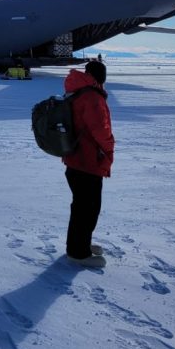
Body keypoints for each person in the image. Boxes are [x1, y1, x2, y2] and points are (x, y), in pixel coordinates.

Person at [62, 59, 115, 268]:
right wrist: (109, 148)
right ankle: (78, 253)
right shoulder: (92, 97)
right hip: (87, 161)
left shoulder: (79, 91)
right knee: (88, 207)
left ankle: (79, 244)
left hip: (76, 159)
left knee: (82, 206)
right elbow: (100, 130)